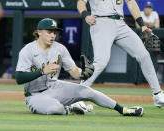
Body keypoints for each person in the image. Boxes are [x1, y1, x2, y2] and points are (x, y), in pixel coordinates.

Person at [15, 18, 143, 116]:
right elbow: (19, 78)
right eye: (49, 32)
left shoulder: (60, 48)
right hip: (35, 95)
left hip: (55, 87)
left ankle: (124, 110)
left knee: (87, 91)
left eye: (54, 32)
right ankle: (70, 108)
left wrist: (84, 73)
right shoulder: (28, 50)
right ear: (39, 33)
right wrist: (42, 71)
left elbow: (74, 72)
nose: (53, 35)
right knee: (55, 109)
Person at [77, 0, 164, 107]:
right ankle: (77, 95)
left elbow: (131, 2)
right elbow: (80, 2)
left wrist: (142, 24)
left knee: (144, 55)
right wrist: (85, 15)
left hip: (121, 24)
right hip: (100, 22)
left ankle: (157, 94)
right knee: (101, 61)